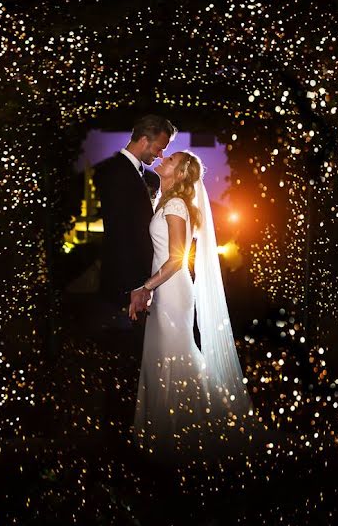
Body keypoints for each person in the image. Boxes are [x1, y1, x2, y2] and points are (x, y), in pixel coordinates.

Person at [130, 150, 254, 457]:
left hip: (173, 290)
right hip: (167, 290)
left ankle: (186, 436)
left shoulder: (174, 204)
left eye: (171, 159)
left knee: (175, 358)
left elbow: (176, 258)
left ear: (182, 173)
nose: (164, 159)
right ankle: (170, 434)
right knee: (166, 357)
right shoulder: (166, 200)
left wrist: (145, 288)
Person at [90, 115, 176, 436]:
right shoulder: (115, 172)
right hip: (126, 284)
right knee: (121, 358)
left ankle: (131, 419)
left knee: (133, 358)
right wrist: (134, 287)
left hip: (139, 281)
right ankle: (117, 428)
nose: (160, 154)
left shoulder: (141, 175)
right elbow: (122, 236)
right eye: (159, 146)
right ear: (144, 139)